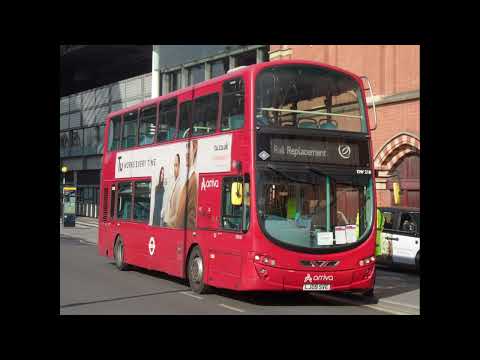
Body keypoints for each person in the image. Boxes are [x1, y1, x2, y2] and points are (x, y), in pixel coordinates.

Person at [174, 140, 198, 229]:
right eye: (186, 148)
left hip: (183, 231)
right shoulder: (185, 177)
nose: (187, 153)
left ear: (195, 150)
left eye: (190, 148)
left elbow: (191, 214)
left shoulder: (193, 180)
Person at [163, 154, 182, 227]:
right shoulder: (171, 182)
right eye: (174, 165)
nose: (175, 169)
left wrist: (170, 223)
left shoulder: (180, 185)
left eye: (176, 165)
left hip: (171, 225)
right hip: (166, 222)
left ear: (180, 166)